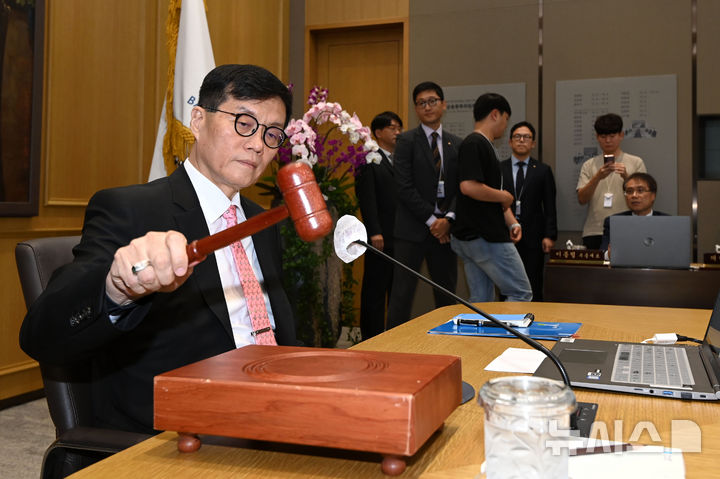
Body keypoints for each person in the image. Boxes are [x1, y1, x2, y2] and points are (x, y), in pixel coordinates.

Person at [19, 64, 296, 434]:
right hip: (187, 432)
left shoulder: (260, 223)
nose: (258, 144)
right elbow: (42, 336)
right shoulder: (132, 210)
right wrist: (116, 289)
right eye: (244, 123)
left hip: (277, 412)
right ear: (197, 120)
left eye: (272, 133)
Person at [386, 82, 461, 329]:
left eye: (433, 101)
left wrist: (448, 219)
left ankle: (450, 349)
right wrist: (433, 221)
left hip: (445, 233)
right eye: (421, 103)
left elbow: (460, 187)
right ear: (416, 108)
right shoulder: (406, 141)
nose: (428, 107)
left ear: (443, 104)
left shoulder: (455, 143)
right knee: (401, 296)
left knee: (447, 295)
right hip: (412, 231)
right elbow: (403, 187)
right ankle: (393, 350)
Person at [450, 93, 532, 303]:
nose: (506, 126)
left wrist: (512, 221)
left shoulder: (483, 145)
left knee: (481, 300)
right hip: (485, 234)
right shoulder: (475, 143)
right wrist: (504, 196)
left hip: (474, 234)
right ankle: (510, 336)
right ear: (495, 114)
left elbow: (488, 192)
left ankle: (483, 336)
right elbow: (469, 186)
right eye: (506, 119)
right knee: (520, 293)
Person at [355, 111, 403, 340]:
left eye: (399, 128)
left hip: (400, 237)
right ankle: (371, 338)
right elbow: (368, 199)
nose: (398, 132)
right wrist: (374, 231)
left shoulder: (400, 159)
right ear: (378, 132)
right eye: (393, 128)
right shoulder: (369, 160)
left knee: (396, 292)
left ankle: (393, 337)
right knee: (375, 292)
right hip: (379, 237)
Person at [500, 121, 557, 301]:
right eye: (517, 137)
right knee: (505, 283)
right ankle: (505, 321)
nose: (521, 140)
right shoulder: (499, 168)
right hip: (505, 234)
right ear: (510, 142)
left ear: (533, 143)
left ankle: (533, 321)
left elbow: (549, 205)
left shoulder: (542, 170)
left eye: (526, 137)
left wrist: (550, 235)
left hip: (534, 237)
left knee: (533, 282)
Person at [576, 113, 646, 249]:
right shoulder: (589, 165)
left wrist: (627, 177)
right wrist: (597, 177)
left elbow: (644, 199)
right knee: (595, 270)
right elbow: (582, 199)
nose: (608, 140)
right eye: (603, 137)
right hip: (594, 230)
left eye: (612, 136)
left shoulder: (636, 162)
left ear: (621, 135)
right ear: (597, 137)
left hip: (627, 228)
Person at [600, 172, 668, 252]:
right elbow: (603, 252)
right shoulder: (614, 222)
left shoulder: (667, 222)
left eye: (640, 190)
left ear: (653, 195)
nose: (634, 195)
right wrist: (609, 254)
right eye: (629, 191)